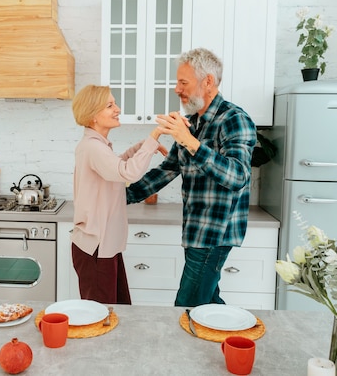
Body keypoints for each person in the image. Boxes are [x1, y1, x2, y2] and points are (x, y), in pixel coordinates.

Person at [126, 48, 257, 307]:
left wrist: (191, 143)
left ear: (208, 82)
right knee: (208, 304)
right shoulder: (192, 122)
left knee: (186, 309)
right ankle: (235, 344)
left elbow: (238, 176)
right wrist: (120, 197)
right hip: (196, 232)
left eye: (183, 82)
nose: (176, 89)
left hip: (214, 235)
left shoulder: (234, 120)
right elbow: (167, 169)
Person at [71, 84, 167, 304]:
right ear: (93, 115)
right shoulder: (92, 147)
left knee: (118, 310)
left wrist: (144, 145)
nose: (118, 109)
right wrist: (154, 135)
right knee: (102, 316)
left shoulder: (97, 146)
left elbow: (116, 166)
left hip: (104, 246)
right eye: (110, 105)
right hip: (96, 248)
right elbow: (128, 172)